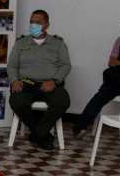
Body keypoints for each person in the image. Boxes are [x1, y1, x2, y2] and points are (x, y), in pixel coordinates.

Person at [7, 9, 72, 149]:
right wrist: (14, 80)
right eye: (31, 22)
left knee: (63, 100)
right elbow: (12, 66)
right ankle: (42, 135)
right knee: (16, 101)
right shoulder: (21, 43)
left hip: (50, 84)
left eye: (38, 22)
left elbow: (66, 66)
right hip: (26, 83)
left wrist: (54, 81)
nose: (33, 25)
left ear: (46, 25)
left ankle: (37, 133)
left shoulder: (58, 43)